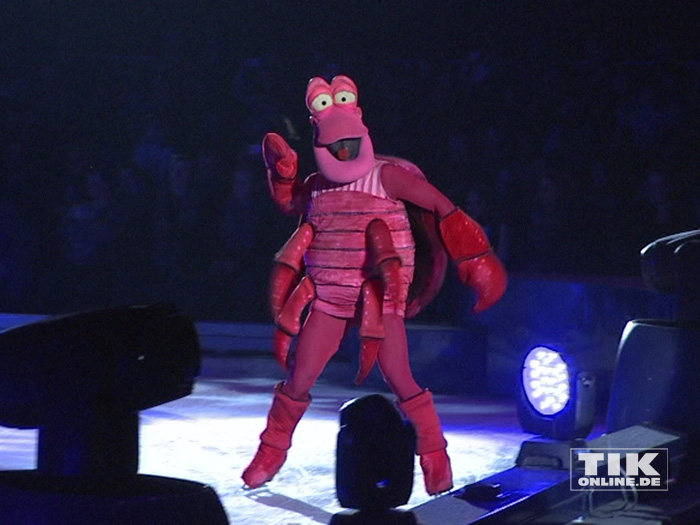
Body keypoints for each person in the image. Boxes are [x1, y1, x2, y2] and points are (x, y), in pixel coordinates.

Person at [241, 75, 507, 495]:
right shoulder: (317, 186)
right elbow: (290, 203)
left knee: (400, 376)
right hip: (328, 298)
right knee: (299, 377)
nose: (341, 148)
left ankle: (435, 456)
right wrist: (282, 174)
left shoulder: (387, 178)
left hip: (379, 300)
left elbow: (440, 204)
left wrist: (474, 255)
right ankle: (270, 451)